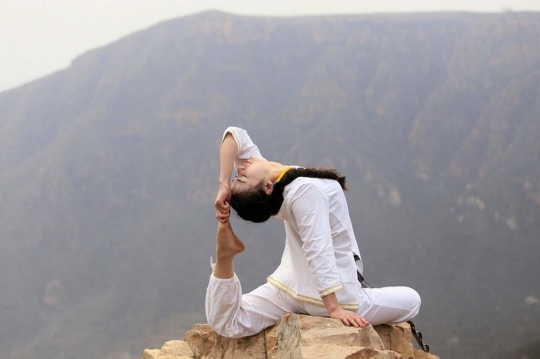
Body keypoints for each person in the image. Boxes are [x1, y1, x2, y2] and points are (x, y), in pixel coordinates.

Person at [206, 126, 421, 338]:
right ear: (267, 187)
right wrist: (334, 309)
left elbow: (234, 135)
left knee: (228, 322)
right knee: (413, 300)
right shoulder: (303, 191)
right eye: (241, 178)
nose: (240, 168)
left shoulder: (282, 185)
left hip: (287, 291)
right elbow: (318, 250)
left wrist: (224, 183)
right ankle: (225, 255)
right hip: (325, 300)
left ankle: (224, 258)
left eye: (237, 177)